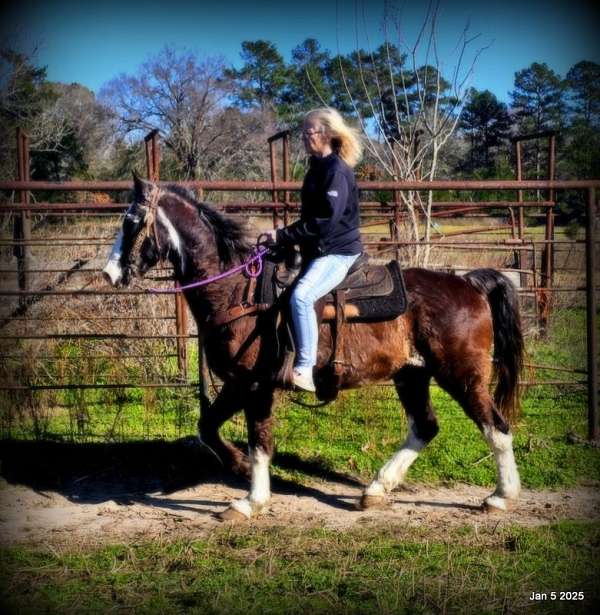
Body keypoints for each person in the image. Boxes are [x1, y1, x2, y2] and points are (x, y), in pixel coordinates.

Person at [273, 107, 363, 392]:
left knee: (301, 297)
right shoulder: (316, 168)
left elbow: (324, 221)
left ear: (325, 134)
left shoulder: (336, 171)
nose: (303, 137)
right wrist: (282, 236)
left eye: (307, 132)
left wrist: (284, 235)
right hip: (319, 249)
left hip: (337, 252)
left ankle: (305, 368)